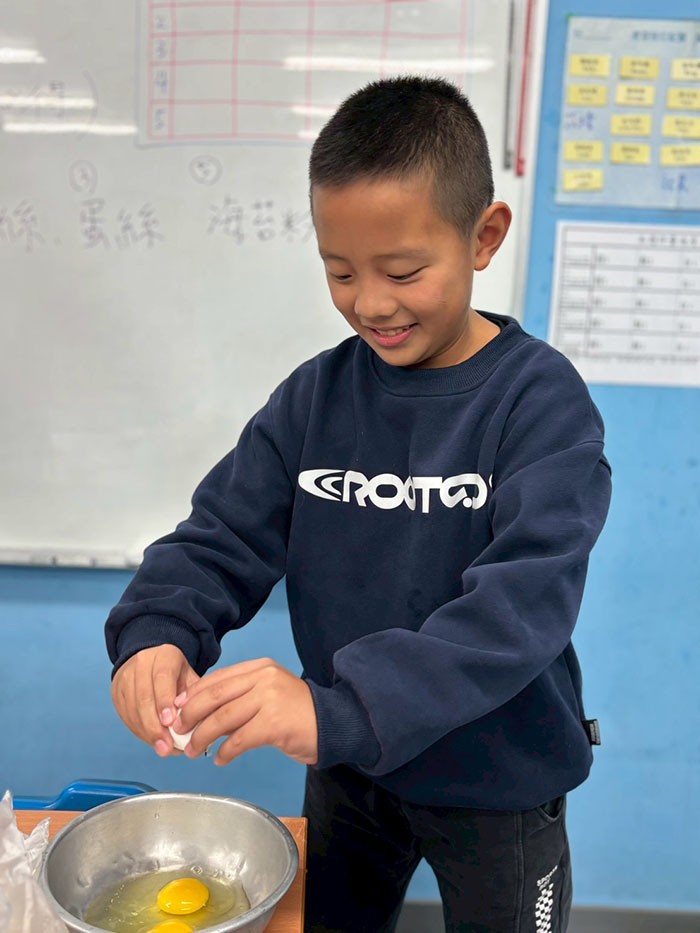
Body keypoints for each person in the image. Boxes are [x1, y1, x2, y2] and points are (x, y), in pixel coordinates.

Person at [106, 75, 612, 933]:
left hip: (500, 782)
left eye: (403, 271)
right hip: (351, 770)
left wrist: (338, 706)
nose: (370, 303)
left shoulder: (540, 402)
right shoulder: (317, 397)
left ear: (484, 237)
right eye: (339, 271)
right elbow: (222, 533)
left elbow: (521, 605)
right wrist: (157, 628)